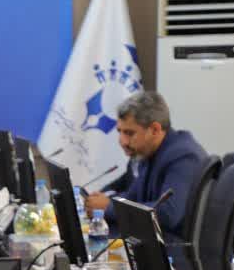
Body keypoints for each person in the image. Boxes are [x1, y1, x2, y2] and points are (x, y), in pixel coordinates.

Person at [83, 90, 208, 241]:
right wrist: (101, 201)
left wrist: (109, 207)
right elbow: (132, 196)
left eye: (129, 133)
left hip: (175, 248)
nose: (122, 141)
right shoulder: (148, 154)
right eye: (120, 132)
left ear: (155, 129)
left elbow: (168, 214)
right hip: (152, 241)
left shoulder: (184, 156)